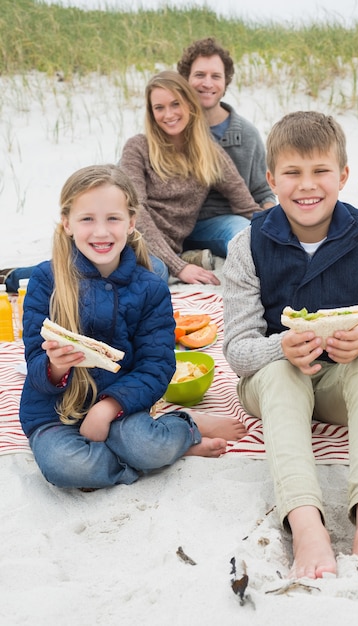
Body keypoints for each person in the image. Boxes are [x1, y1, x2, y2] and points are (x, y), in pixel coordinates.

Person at [222, 111, 358, 589]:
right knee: (284, 375)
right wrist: (280, 349)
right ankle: (307, 526)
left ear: (343, 175)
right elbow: (238, 350)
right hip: (270, 385)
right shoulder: (248, 245)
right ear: (271, 179)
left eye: (320, 171)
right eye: (292, 173)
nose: (307, 186)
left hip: (339, 390)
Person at [19, 164, 246, 490]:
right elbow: (33, 360)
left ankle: (183, 426)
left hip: (123, 405)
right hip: (55, 412)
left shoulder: (150, 287)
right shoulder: (45, 281)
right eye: (87, 219)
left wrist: (108, 408)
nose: (101, 232)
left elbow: (157, 365)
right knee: (64, 467)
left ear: (131, 222)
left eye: (112, 218)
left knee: (146, 445)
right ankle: (166, 455)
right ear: (67, 223)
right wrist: (55, 366)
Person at [120, 70, 260, 286]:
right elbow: (135, 210)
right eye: (159, 107)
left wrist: (292, 230)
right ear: (151, 113)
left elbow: (245, 205)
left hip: (169, 249)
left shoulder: (209, 153)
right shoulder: (138, 147)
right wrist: (179, 266)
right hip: (132, 239)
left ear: (189, 104)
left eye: (175, 104)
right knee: (155, 272)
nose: (168, 114)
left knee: (245, 232)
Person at [177, 37, 276, 258]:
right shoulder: (170, 125)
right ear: (186, 79)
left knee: (245, 235)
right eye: (200, 75)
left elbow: (263, 190)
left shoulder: (247, 134)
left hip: (225, 222)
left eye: (216, 76)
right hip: (171, 223)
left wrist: (272, 219)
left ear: (225, 82)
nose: (207, 83)